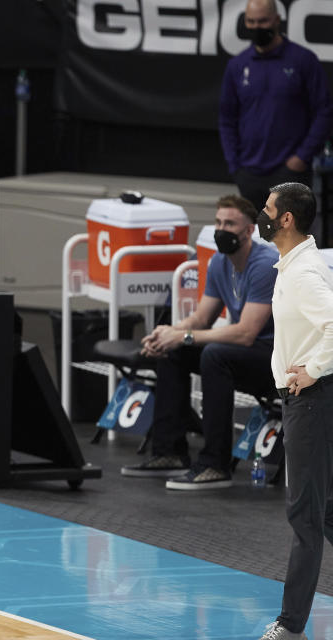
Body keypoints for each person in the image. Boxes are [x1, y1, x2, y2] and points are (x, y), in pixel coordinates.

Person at [121, 195, 279, 490]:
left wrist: (184, 336)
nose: (222, 229)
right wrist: (168, 333)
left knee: (215, 355)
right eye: (218, 222)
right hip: (247, 349)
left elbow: (246, 333)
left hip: (276, 356)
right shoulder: (220, 262)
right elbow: (201, 318)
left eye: (230, 224)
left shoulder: (265, 265)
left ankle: (214, 464)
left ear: (248, 231)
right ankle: (169, 452)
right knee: (174, 351)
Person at [257, 182, 333, 640]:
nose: (261, 214)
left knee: (305, 517)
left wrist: (315, 368)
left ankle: (290, 626)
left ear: (286, 219)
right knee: (325, 514)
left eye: (268, 209)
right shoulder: (295, 264)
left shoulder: (304, 273)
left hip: (311, 403)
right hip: (315, 401)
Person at [218, 0, 333, 210]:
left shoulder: (303, 61)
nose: (257, 27)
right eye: (251, 21)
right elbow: (227, 118)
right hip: (248, 174)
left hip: (291, 172)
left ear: (277, 20)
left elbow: (324, 112)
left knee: (291, 239)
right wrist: (234, 164)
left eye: (263, 21)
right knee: (255, 239)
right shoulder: (237, 65)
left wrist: (301, 158)